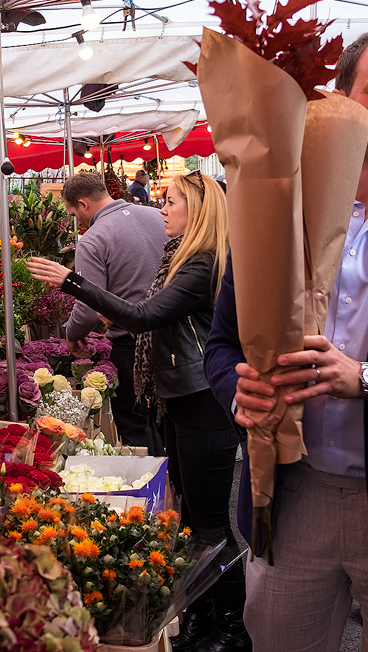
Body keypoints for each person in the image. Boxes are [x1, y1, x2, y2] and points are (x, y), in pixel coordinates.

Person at [204, 28, 368, 652]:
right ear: (342, 99)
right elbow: (222, 346)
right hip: (292, 490)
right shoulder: (279, 201)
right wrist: (239, 391)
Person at [30, 171, 247, 652]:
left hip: (202, 404)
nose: (162, 209)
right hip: (180, 399)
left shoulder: (201, 265)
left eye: (171, 202)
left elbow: (145, 316)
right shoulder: (180, 258)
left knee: (211, 524)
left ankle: (233, 631)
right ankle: (201, 617)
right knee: (191, 518)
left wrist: (74, 283)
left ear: (199, 210)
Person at [61, 170, 168, 449]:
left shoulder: (93, 239)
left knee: (139, 429)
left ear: (83, 204)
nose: (78, 220)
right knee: (171, 425)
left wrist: (71, 335)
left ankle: (155, 489)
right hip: (176, 337)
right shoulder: (158, 215)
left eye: (75, 212)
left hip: (131, 348)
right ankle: (177, 490)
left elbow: (86, 307)